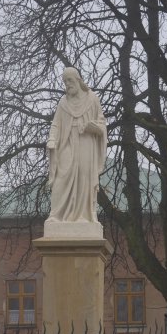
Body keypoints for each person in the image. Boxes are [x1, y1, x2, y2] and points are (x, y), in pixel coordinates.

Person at [46, 67, 107, 224]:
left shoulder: (92, 99)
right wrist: (52, 138)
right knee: (61, 176)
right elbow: (56, 124)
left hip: (86, 142)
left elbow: (102, 124)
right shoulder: (63, 102)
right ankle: (56, 215)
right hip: (66, 142)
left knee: (84, 176)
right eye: (65, 81)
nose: (67, 84)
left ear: (78, 80)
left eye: (70, 80)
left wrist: (93, 127)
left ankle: (83, 216)